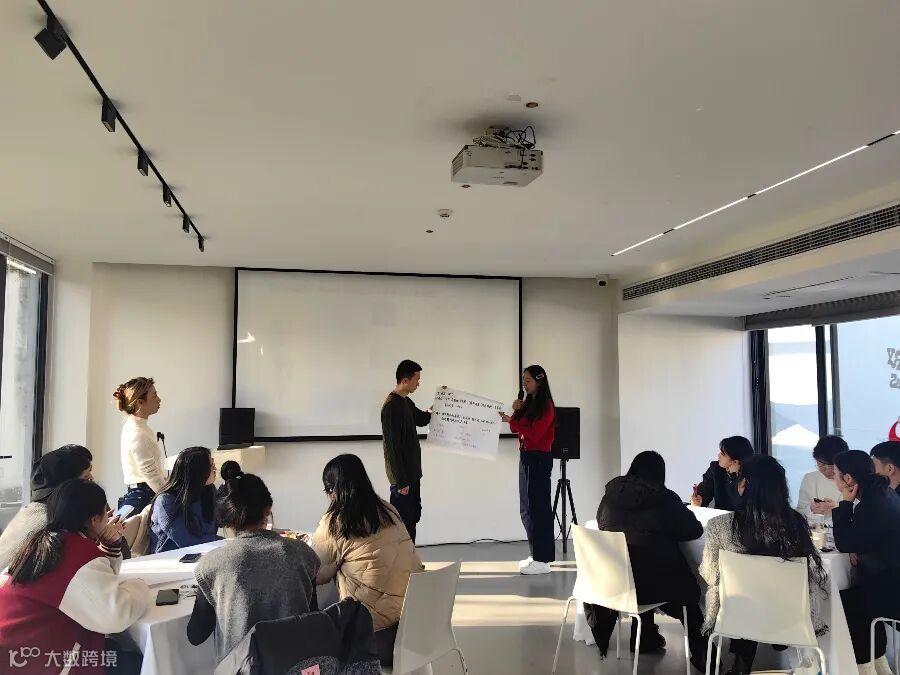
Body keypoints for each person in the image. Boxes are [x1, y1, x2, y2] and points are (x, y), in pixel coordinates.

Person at [0, 479, 148, 674]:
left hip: (17, 654)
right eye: (106, 512)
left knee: (117, 649)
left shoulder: (42, 542)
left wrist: (109, 544)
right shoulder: (75, 553)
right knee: (140, 663)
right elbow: (115, 615)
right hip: (43, 661)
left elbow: (95, 585)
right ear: (93, 520)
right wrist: (140, 586)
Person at [699, 455, 827, 675]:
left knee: (743, 598)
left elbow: (710, 574)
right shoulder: (795, 523)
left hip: (737, 615)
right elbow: (809, 576)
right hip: (790, 617)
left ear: (744, 485)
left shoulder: (719, 525)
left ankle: (741, 665)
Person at [582, 451, 709, 671]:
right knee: (687, 593)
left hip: (614, 583)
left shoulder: (611, 495)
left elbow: (602, 525)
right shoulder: (664, 499)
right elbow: (693, 530)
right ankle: (702, 654)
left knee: (641, 562)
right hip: (653, 586)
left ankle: (644, 636)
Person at [187, 468, 320, 664]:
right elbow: (313, 617)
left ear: (225, 519)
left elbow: (196, 635)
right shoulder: (303, 554)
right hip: (297, 666)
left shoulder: (211, 565)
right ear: (268, 509)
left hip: (241, 668)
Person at [308, 454, 423, 667]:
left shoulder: (335, 522)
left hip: (374, 641)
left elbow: (314, 574)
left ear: (333, 491)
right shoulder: (388, 510)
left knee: (308, 630)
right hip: (416, 630)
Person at [832, 449, 900, 674]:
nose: (834, 479)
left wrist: (845, 504)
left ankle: (865, 669)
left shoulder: (869, 504)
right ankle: (879, 666)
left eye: (835, 474)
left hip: (892, 591)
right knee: (858, 598)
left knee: (848, 604)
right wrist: (858, 548)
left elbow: (844, 542)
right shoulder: (885, 493)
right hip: (892, 579)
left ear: (848, 478)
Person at [0, 445, 94, 570]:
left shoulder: (30, 512)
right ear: (67, 487)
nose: (92, 479)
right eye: (86, 477)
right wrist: (103, 537)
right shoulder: (56, 523)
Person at [500, 364, 556, 575]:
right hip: (526, 456)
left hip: (539, 458)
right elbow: (515, 427)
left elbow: (535, 434)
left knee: (539, 509)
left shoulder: (546, 406)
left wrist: (514, 420)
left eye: (528, 380)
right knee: (526, 508)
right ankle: (536, 554)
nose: (525, 384)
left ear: (539, 381)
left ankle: (543, 560)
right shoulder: (529, 403)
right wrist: (516, 411)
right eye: (523, 380)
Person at [381, 359, 432, 544]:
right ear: (405, 380)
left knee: (412, 518)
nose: (418, 383)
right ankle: (402, 559)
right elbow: (391, 448)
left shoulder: (405, 402)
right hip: (402, 480)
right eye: (416, 379)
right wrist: (401, 480)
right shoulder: (391, 406)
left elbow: (422, 419)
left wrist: (439, 405)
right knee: (401, 523)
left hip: (412, 474)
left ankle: (410, 557)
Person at [148, 447, 220, 553]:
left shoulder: (209, 490)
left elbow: (223, 520)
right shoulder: (166, 501)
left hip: (205, 552)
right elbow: (188, 541)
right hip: (172, 557)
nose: (215, 468)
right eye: (211, 465)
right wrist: (225, 544)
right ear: (198, 471)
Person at [114, 377, 165, 512]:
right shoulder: (137, 431)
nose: (159, 400)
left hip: (143, 493)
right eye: (154, 396)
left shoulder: (138, 427)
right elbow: (149, 472)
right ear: (140, 402)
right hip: (143, 497)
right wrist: (169, 496)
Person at [690, 436, 753, 511]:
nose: (718, 455)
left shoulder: (753, 476)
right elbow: (704, 491)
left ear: (735, 462)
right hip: (722, 517)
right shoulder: (715, 469)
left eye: (722, 454)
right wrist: (698, 500)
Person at [796, 435, 847, 524]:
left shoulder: (853, 481)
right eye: (821, 466)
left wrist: (837, 510)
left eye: (831, 466)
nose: (826, 470)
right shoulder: (810, 479)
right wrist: (810, 509)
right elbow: (799, 513)